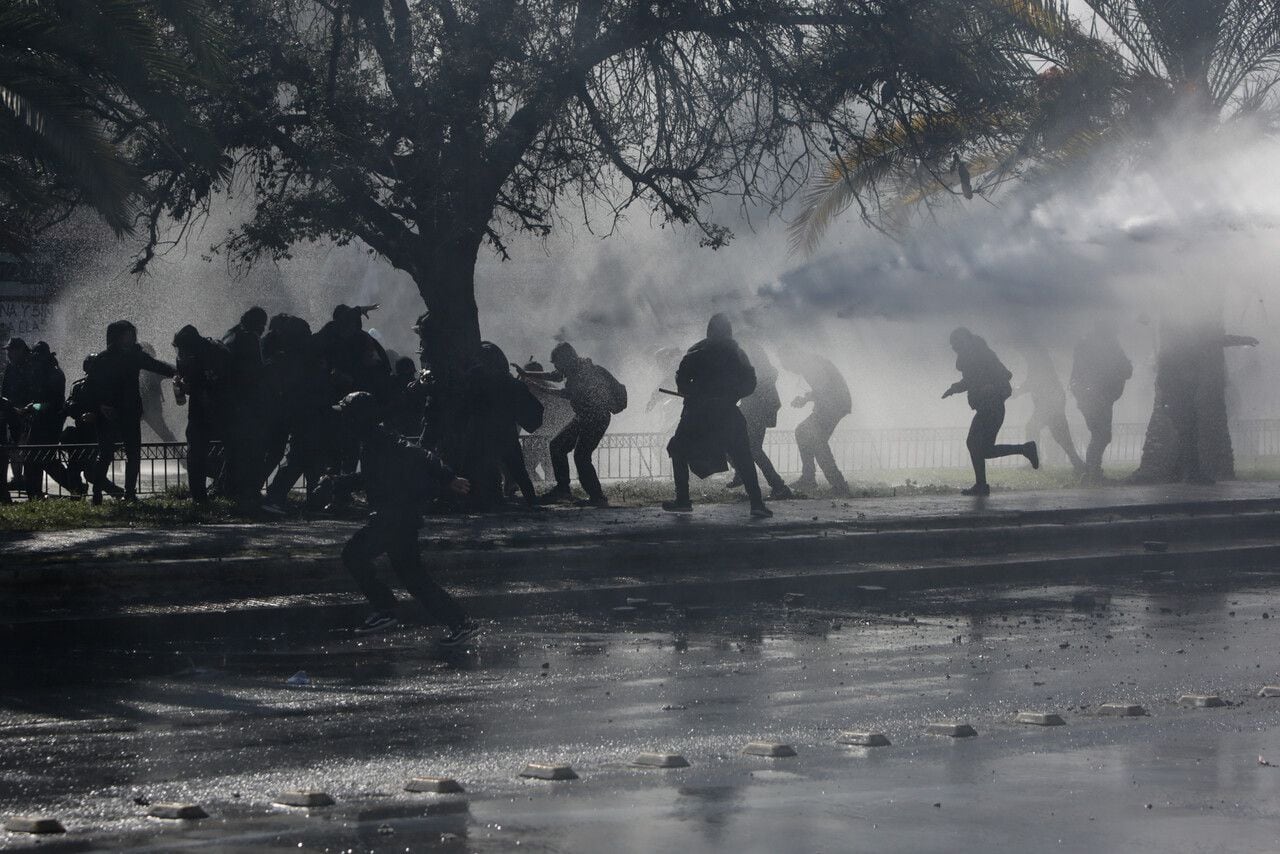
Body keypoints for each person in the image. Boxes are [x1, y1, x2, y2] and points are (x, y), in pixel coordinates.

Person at [322, 391, 479, 643]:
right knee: (414, 578)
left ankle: (385, 609)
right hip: (399, 518)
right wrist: (337, 483)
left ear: (358, 418)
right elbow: (370, 477)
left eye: (348, 415)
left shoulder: (379, 439)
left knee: (353, 555)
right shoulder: (372, 438)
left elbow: (420, 454)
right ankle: (460, 622)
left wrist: (449, 477)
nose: (343, 421)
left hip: (392, 518)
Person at [663, 314, 772, 518]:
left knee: (677, 450)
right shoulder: (737, 354)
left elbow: (682, 381)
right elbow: (750, 382)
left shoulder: (697, 354)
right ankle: (756, 503)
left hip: (698, 414)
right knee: (743, 456)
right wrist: (732, 394)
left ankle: (683, 500)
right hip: (727, 413)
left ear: (709, 331)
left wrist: (695, 392)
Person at [518, 342, 625, 508]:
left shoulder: (583, 373)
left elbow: (566, 393)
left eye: (557, 363)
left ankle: (597, 496)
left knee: (581, 456)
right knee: (557, 446)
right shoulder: (575, 367)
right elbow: (556, 376)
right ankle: (563, 490)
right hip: (584, 416)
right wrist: (527, 374)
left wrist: (537, 386)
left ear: (565, 360)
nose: (556, 367)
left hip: (595, 418)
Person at [84, 320, 176, 503]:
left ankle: (130, 493)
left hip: (130, 413)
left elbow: (157, 366)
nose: (130, 338)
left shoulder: (136, 356)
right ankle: (97, 493)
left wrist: (178, 371)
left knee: (133, 454)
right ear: (116, 337)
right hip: (107, 415)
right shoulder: (103, 359)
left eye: (131, 335)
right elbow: (90, 388)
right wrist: (100, 406)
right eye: (126, 335)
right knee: (105, 454)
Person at [943, 327, 1038, 496]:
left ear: (965, 341)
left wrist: (991, 386)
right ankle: (1024, 449)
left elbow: (1006, 374)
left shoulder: (982, 355)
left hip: (992, 407)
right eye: (952, 345)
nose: (954, 348)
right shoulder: (972, 358)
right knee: (983, 449)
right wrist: (954, 388)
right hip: (988, 407)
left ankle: (982, 485)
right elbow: (970, 381)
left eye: (956, 343)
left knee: (974, 444)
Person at [463, 342, 543, 509]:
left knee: (487, 468)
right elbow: (531, 410)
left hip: (483, 434)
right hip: (505, 433)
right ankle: (531, 501)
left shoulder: (474, 380)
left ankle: (489, 500)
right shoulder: (509, 383)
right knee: (518, 470)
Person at [778, 348, 853, 497]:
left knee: (813, 438)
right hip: (833, 405)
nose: (790, 369)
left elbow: (824, 389)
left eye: (788, 364)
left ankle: (831, 483)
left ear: (792, 357)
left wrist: (805, 399)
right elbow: (824, 389)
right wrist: (808, 399)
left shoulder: (811, 365)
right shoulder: (811, 362)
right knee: (808, 435)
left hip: (834, 405)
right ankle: (815, 479)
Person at [173, 325, 232, 504]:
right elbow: (186, 376)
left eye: (182, 349)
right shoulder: (186, 355)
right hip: (199, 410)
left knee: (229, 449)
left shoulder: (215, 352)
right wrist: (181, 384)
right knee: (196, 452)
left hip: (223, 408)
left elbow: (221, 382)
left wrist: (192, 387)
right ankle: (199, 497)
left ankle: (228, 489)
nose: (180, 353)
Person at [727, 339, 792, 499]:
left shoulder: (757, 369)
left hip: (757, 410)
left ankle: (779, 486)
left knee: (752, 449)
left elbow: (748, 389)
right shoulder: (754, 366)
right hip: (752, 409)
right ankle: (744, 475)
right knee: (733, 442)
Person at [1070, 323, 1132, 483]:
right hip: (1097, 398)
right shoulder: (1107, 347)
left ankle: (1091, 472)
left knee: (1100, 435)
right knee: (1102, 435)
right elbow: (1126, 369)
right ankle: (1092, 472)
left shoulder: (1086, 346)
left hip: (1091, 397)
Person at [221, 307, 268, 502]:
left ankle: (228, 489)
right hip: (246, 402)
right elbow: (257, 372)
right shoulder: (250, 338)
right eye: (263, 324)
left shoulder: (230, 335)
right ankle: (245, 491)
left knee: (234, 449)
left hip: (229, 401)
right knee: (251, 448)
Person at [21, 343, 80, 497]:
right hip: (40, 421)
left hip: (49, 423)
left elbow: (53, 403)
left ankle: (75, 487)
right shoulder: (43, 372)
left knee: (44, 459)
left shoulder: (54, 374)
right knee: (36, 458)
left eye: (37, 357)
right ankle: (35, 493)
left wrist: (35, 407)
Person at [1017, 344, 1084, 472]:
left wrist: (1018, 391)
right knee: (1061, 435)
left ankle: (1035, 463)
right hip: (1052, 400)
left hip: (1049, 402)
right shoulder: (1039, 360)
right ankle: (1079, 464)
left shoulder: (1037, 360)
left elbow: (1034, 381)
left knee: (1033, 427)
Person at [1, 338, 33, 497]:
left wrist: (27, 408)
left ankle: (27, 478)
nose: (8, 353)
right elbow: (4, 391)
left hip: (28, 412)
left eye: (11, 350)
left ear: (20, 350)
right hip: (12, 413)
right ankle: (17, 477)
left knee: (25, 446)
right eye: (8, 350)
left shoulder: (31, 366)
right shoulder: (11, 368)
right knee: (13, 446)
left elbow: (36, 390)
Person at [138, 342, 178, 443]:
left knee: (165, 434)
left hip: (150, 408)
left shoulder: (154, 366)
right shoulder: (144, 366)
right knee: (165, 434)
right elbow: (172, 370)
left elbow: (172, 370)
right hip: (143, 407)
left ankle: (180, 454)